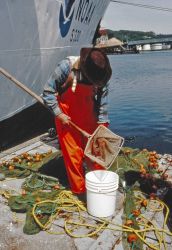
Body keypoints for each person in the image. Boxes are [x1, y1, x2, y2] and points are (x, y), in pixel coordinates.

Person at [42, 48, 112, 194]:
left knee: (98, 153)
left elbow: (102, 105)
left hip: (90, 117)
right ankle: (79, 190)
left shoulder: (101, 73)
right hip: (67, 118)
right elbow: (47, 92)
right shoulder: (66, 66)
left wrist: (103, 125)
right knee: (74, 156)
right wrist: (58, 113)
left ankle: (100, 186)